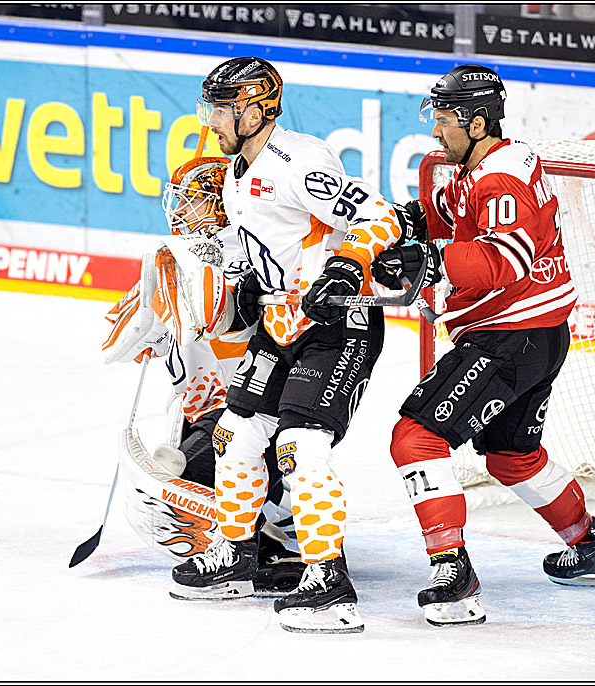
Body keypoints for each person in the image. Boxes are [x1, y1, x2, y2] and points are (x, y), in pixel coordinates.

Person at [371, 64, 595, 627]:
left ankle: (454, 573)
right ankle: (592, 548)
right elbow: (433, 219)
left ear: (477, 120)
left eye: (444, 120)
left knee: (415, 438)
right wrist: (379, 223)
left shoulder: (499, 180)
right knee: (512, 456)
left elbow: (506, 261)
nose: (436, 133)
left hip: (510, 334)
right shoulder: (479, 170)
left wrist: (433, 260)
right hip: (536, 335)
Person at [167, 56, 406, 634]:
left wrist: (346, 269)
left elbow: (381, 217)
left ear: (256, 106)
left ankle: (329, 581)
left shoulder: (297, 158)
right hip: (283, 326)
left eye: (222, 109)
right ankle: (236, 554)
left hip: (337, 325)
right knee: (235, 433)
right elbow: (273, 247)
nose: (213, 120)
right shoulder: (234, 171)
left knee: (300, 444)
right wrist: (249, 287)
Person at [101, 155, 304, 593]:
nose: (179, 211)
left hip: (248, 404)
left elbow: (221, 313)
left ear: (217, 203)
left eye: (190, 201)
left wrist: (189, 283)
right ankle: (256, 532)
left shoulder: (243, 254)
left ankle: (275, 542)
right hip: (205, 403)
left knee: (191, 484)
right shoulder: (190, 253)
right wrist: (162, 328)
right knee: (180, 472)